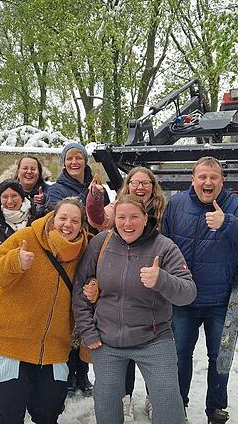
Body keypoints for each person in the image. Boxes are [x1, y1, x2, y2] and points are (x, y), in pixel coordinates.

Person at [162, 156, 238, 423]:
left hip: (221, 300)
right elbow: (163, 244)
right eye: (202, 177)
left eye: (214, 177)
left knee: (220, 356)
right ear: (193, 180)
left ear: (222, 181)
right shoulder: (176, 205)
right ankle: (178, 405)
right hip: (183, 298)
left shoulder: (235, 205)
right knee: (180, 354)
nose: (207, 182)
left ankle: (216, 409)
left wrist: (227, 222)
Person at [74, 195, 196, 424]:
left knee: (169, 407)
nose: (127, 223)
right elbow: (80, 288)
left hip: (154, 339)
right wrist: (87, 330)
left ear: (145, 217)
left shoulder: (164, 246)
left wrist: (162, 279)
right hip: (107, 341)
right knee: (107, 406)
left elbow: (188, 293)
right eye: (121, 217)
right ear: (114, 219)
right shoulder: (101, 243)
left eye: (134, 217)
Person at [0, 198, 90, 424]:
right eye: (63, 218)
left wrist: (92, 288)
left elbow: (90, 282)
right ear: (52, 218)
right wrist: (14, 262)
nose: (68, 224)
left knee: (49, 412)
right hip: (7, 342)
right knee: (7, 415)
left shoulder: (84, 251)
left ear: (82, 225)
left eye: (75, 220)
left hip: (51, 348)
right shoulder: (27, 237)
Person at [85, 166, 167, 418]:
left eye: (145, 183)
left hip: (153, 292)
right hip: (118, 284)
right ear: (127, 186)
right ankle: (125, 396)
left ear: (153, 187)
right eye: (135, 182)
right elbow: (98, 218)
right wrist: (96, 197)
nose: (140, 187)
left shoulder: (165, 211)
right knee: (121, 353)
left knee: (154, 353)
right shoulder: (117, 208)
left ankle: (156, 398)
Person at [46, 141, 109, 394]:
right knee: (68, 318)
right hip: (66, 258)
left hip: (90, 253)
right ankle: (69, 375)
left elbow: (101, 217)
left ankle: (83, 374)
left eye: (78, 158)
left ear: (85, 161)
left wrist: (98, 196)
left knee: (87, 316)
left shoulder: (96, 187)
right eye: (69, 158)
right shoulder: (56, 189)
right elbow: (62, 217)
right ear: (64, 162)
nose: (74, 162)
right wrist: (90, 197)